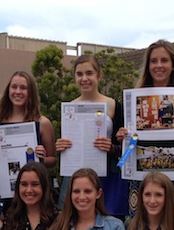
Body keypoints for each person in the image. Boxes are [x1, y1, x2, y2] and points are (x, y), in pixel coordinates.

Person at [117, 40, 174, 217]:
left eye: (164, 60)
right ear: (148, 66)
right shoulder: (133, 100)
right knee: (140, 228)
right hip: (142, 176)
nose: (159, 65)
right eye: (154, 61)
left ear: (173, 65)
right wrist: (122, 136)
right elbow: (123, 143)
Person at [54, 54, 127, 216]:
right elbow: (68, 144)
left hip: (106, 175)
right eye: (79, 74)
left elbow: (126, 147)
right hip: (76, 174)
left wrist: (112, 147)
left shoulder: (113, 105)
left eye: (89, 73)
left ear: (99, 75)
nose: (84, 78)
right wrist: (61, 146)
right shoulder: (70, 107)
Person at [0, 71, 57, 195]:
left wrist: (42, 159)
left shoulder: (43, 123)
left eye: (23, 88)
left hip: (34, 191)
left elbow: (53, 160)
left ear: (31, 92)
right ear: (8, 90)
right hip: (4, 188)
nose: (18, 92)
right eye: (14, 87)